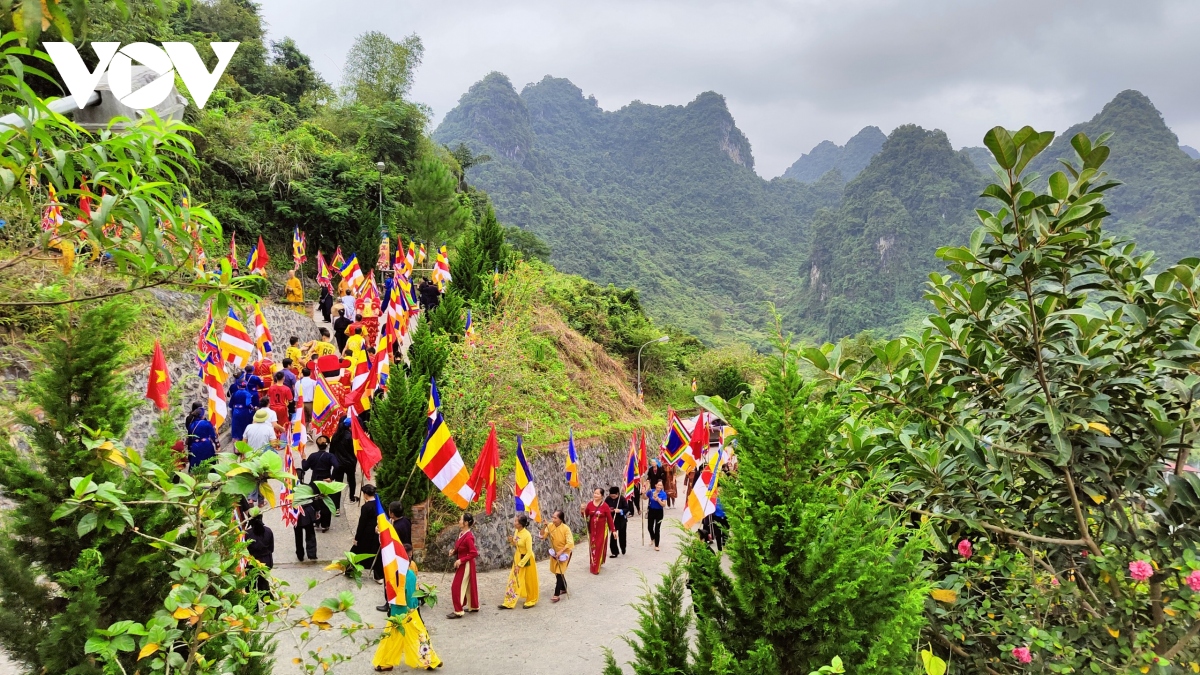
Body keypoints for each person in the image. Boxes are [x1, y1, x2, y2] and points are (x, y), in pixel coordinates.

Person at [372, 562, 442, 671]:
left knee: (391, 639)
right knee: (420, 636)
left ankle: (385, 663)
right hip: (411, 611)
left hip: (399, 612)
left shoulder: (397, 576)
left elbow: (395, 594)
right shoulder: (410, 574)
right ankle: (431, 660)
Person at [499, 514, 538, 609]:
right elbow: (516, 544)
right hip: (518, 557)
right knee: (514, 579)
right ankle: (508, 602)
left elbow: (529, 552)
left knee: (529, 580)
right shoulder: (517, 531)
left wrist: (520, 565)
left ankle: (531, 600)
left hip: (527, 559)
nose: (514, 522)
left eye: (516, 521)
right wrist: (511, 541)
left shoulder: (527, 535)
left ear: (521, 524)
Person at [301, 435, 339, 531]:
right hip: (325, 482)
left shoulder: (313, 456)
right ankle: (325, 524)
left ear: (317, 445)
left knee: (314, 501)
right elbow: (337, 466)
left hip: (314, 481)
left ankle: (316, 521)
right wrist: (331, 478)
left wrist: (304, 459)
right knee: (326, 502)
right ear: (326, 445)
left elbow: (305, 467)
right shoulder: (330, 456)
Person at [446, 512, 479, 618]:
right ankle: (473, 606)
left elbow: (474, 553)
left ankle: (458, 610)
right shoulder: (461, 534)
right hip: (463, 563)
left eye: (461, 520)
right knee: (469, 585)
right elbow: (460, 548)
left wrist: (461, 560)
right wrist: (454, 552)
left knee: (456, 586)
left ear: (465, 523)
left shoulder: (469, 537)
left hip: (466, 564)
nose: (459, 521)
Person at [581, 488, 618, 575]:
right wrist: (582, 510)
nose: (595, 495)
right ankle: (595, 561)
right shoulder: (590, 504)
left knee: (599, 547)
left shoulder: (605, 506)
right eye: (595, 493)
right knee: (593, 546)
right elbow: (585, 515)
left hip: (602, 530)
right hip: (592, 530)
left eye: (598, 494)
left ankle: (595, 568)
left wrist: (613, 530)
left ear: (602, 496)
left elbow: (609, 519)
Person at [540, 510, 574, 602]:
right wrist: (544, 526)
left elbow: (570, 543)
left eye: (555, 518)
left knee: (559, 573)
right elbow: (542, 536)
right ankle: (564, 587)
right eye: (553, 517)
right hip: (555, 553)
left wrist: (561, 551)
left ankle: (556, 594)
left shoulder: (566, 528)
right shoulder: (550, 525)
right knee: (557, 572)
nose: (553, 519)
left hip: (564, 553)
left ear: (561, 519)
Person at [349, 484, 381, 580]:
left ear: (365, 494)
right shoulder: (379, 504)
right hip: (376, 533)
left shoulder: (366, 507)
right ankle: (378, 576)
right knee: (375, 553)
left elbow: (362, 524)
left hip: (366, 533)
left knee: (355, 552)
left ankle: (350, 570)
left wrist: (357, 538)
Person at [330, 418, 357, 514]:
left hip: (338, 464)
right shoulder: (350, 437)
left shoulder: (335, 436)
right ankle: (351, 497)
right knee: (352, 481)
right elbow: (355, 451)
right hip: (349, 463)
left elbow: (331, 451)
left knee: (338, 485)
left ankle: (336, 508)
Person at [245, 514, 274, 596]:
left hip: (253, 562)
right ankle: (269, 605)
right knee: (264, 585)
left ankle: (254, 607)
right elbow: (271, 549)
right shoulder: (268, 531)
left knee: (251, 587)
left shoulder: (247, 534)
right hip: (266, 562)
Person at [184, 402, 218, 469]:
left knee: (194, 459)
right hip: (204, 442)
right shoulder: (204, 422)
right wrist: (217, 445)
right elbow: (210, 433)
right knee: (208, 459)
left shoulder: (188, 419)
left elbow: (188, 428)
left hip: (193, 441)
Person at [605, 486, 633, 558]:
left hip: (621, 519)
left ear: (617, 494)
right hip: (612, 519)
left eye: (614, 496)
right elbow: (604, 507)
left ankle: (623, 548)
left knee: (622, 535)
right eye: (611, 496)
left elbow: (626, 508)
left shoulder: (622, 499)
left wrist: (620, 510)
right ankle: (614, 552)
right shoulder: (608, 499)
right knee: (613, 536)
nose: (612, 497)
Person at [647, 479, 668, 551]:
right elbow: (644, 498)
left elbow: (664, 504)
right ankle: (653, 537)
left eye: (661, 485)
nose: (659, 486)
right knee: (649, 527)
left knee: (657, 528)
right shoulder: (651, 491)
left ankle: (656, 545)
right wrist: (643, 493)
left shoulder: (663, 494)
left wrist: (658, 499)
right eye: (658, 485)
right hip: (651, 511)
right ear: (655, 485)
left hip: (659, 512)